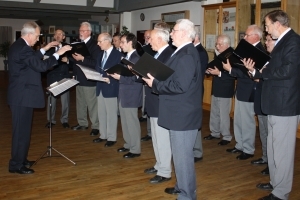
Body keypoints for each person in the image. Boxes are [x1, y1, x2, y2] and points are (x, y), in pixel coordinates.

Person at [143, 19, 202, 200]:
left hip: (182, 115)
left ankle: (187, 195)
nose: (171, 34)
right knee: (180, 157)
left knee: (183, 159)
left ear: (184, 33)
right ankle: (182, 186)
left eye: (174, 31)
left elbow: (179, 86)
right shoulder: (183, 51)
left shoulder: (186, 54)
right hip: (180, 113)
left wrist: (156, 84)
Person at [244, 10, 300, 200]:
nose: (266, 30)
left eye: (267, 26)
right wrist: (255, 70)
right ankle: (276, 182)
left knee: (282, 151)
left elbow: (287, 71)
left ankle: (281, 192)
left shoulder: (293, 41)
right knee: (274, 148)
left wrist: (260, 73)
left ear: (277, 24)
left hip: (284, 105)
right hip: (275, 103)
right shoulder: (283, 42)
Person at [7, 21, 71, 174]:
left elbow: (32, 59)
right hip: (22, 96)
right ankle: (16, 165)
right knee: (21, 132)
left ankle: (20, 159)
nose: (38, 39)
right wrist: (58, 54)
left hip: (21, 95)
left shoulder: (19, 46)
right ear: (29, 35)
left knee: (23, 131)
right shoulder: (23, 48)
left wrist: (45, 49)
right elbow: (41, 66)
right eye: (37, 36)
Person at [224, 25, 266, 160]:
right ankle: (240, 145)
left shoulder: (259, 51)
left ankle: (248, 149)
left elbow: (250, 74)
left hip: (250, 91)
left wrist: (231, 70)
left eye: (247, 35)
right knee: (238, 119)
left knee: (247, 121)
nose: (245, 37)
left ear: (256, 36)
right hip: (241, 89)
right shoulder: (249, 49)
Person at [143, 23, 174, 184]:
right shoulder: (158, 54)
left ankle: (165, 171)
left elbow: (167, 79)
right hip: (154, 100)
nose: (149, 42)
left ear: (161, 39)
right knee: (156, 137)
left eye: (152, 39)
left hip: (161, 101)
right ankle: (159, 164)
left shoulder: (168, 54)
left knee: (162, 138)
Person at [109, 33, 143, 159]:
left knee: (132, 122)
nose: (120, 44)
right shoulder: (126, 57)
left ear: (130, 43)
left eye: (122, 42)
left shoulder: (136, 58)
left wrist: (120, 77)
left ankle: (135, 149)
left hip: (131, 95)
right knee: (125, 121)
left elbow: (137, 78)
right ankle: (128, 144)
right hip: (124, 93)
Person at [250, 34, 276, 176]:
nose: (265, 43)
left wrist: (260, 76)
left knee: (270, 134)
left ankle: (271, 163)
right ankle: (266, 157)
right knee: (264, 132)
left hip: (270, 101)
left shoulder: (275, 59)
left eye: (268, 40)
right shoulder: (267, 57)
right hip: (261, 98)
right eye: (265, 40)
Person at [69, 22, 101, 136]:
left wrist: (82, 58)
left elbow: (95, 63)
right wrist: (72, 59)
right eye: (80, 31)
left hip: (89, 78)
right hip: (79, 77)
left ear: (89, 32)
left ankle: (96, 125)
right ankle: (82, 123)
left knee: (92, 104)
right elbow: (76, 61)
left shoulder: (95, 45)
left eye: (83, 31)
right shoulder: (78, 44)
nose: (80, 33)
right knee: (80, 102)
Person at [204, 35, 235, 146]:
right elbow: (214, 67)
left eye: (220, 44)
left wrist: (220, 73)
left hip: (225, 90)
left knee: (224, 115)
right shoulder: (219, 56)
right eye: (216, 44)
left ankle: (226, 136)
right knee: (214, 113)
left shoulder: (232, 57)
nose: (217, 46)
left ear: (227, 45)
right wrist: (208, 70)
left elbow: (234, 75)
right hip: (216, 88)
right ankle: (215, 132)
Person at [92, 33, 123, 147]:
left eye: (100, 41)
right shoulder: (100, 55)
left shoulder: (117, 55)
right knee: (101, 113)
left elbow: (120, 72)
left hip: (111, 86)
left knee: (111, 114)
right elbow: (97, 69)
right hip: (100, 86)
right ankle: (103, 134)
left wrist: (110, 80)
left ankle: (111, 137)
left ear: (107, 41)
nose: (98, 44)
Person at [45, 29, 71, 129]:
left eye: (60, 34)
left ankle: (64, 120)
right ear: (54, 36)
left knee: (65, 101)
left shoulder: (68, 48)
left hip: (64, 77)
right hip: (52, 77)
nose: (58, 36)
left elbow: (74, 62)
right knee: (52, 100)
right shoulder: (49, 48)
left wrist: (68, 60)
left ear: (63, 37)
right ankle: (51, 120)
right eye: (56, 34)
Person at [193, 28, 208, 162]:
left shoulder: (200, 52)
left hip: (196, 90)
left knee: (195, 120)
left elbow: (197, 74)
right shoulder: (193, 50)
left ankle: (197, 151)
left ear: (195, 37)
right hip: (191, 90)